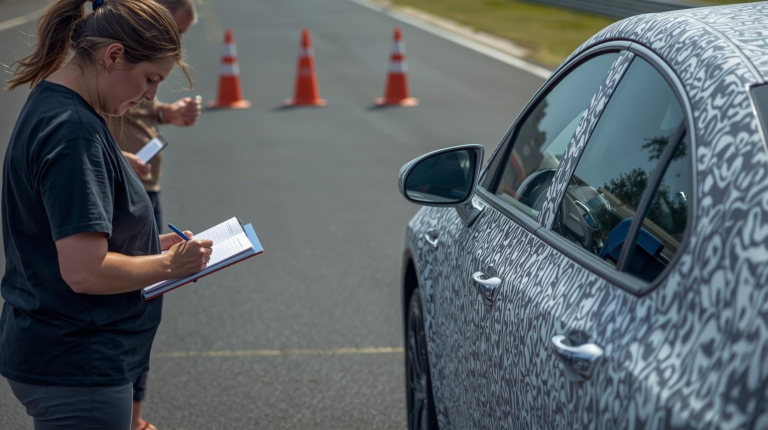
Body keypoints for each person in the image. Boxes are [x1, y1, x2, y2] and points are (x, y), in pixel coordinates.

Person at [0, 0, 213, 428]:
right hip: (80, 364)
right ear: (113, 56)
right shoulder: (74, 132)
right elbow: (85, 271)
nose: (150, 96)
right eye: (150, 79)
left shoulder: (54, 102)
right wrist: (170, 265)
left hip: (61, 352)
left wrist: (152, 248)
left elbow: (68, 238)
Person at [115, 1, 199, 428]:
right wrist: (114, 159)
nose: (177, 44)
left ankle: (133, 415)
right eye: (174, 32)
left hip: (144, 185)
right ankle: (124, 415)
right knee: (135, 296)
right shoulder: (116, 66)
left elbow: (144, 108)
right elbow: (84, 271)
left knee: (147, 302)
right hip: (122, 186)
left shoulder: (134, 73)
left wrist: (169, 113)